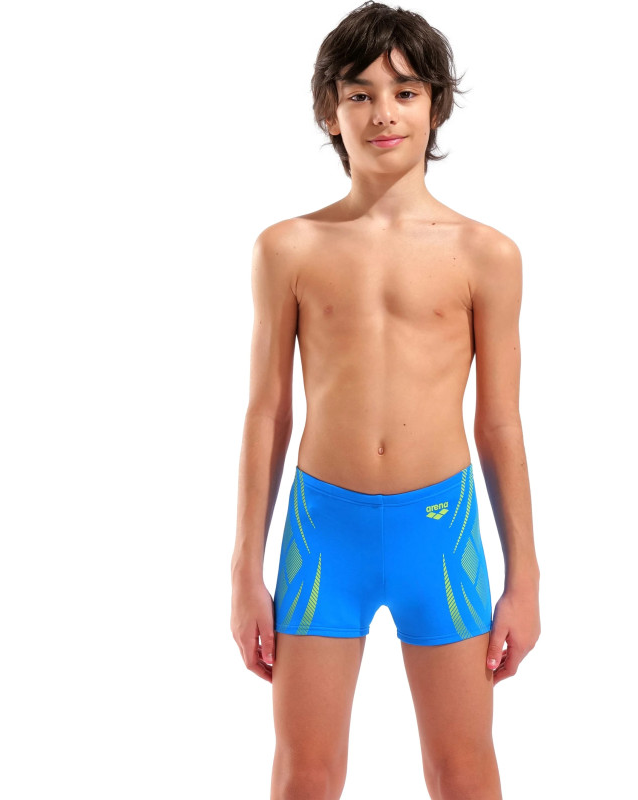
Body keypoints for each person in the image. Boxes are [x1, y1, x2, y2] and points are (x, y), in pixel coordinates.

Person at [230, 2, 540, 798]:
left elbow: (499, 424)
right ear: (328, 111)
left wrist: (525, 577)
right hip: (321, 533)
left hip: (439, 532)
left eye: (404, 92)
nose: (382, 113)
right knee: (306, 774)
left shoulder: (486, 254)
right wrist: (244, 570)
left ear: (435, 104)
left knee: (462, 772)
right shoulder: (288, 248)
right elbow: (267, 414)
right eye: (359, 94)